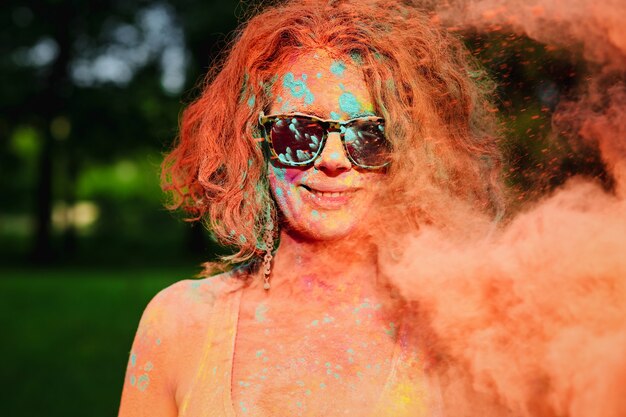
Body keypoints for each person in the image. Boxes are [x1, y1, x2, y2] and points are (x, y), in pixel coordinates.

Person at [118, 0, 503, 416]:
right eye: (299, 131)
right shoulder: (179, 324)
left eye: (369, 134)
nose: (333, 159)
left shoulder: (455, 330)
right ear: (252, 142)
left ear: (409, 151)